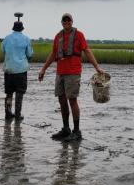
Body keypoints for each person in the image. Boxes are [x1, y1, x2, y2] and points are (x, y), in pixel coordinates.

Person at [38, 13, 104, 141]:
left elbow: (87, 51)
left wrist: (97, 67)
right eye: (64, 20)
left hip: (73, 72)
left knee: (72, 100)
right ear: (61, 22)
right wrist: (43, 69)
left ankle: (77, 131)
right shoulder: (58, 36)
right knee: (61, 100)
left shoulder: (79, 35)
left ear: (72, 22)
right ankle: (66, 129)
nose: (66, 22)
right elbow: (53, 54)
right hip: (60, 73)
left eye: (69, 20)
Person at [1, 20, 33, 121]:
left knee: (9, 93)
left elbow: (3, 50)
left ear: (13, 28)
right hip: (21, 71)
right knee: (19, 93)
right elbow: (30, 54)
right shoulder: (26, 39)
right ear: (22, 29)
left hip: (9, 70)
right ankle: (18, 115)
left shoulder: (6, 38)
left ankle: (8, 114)